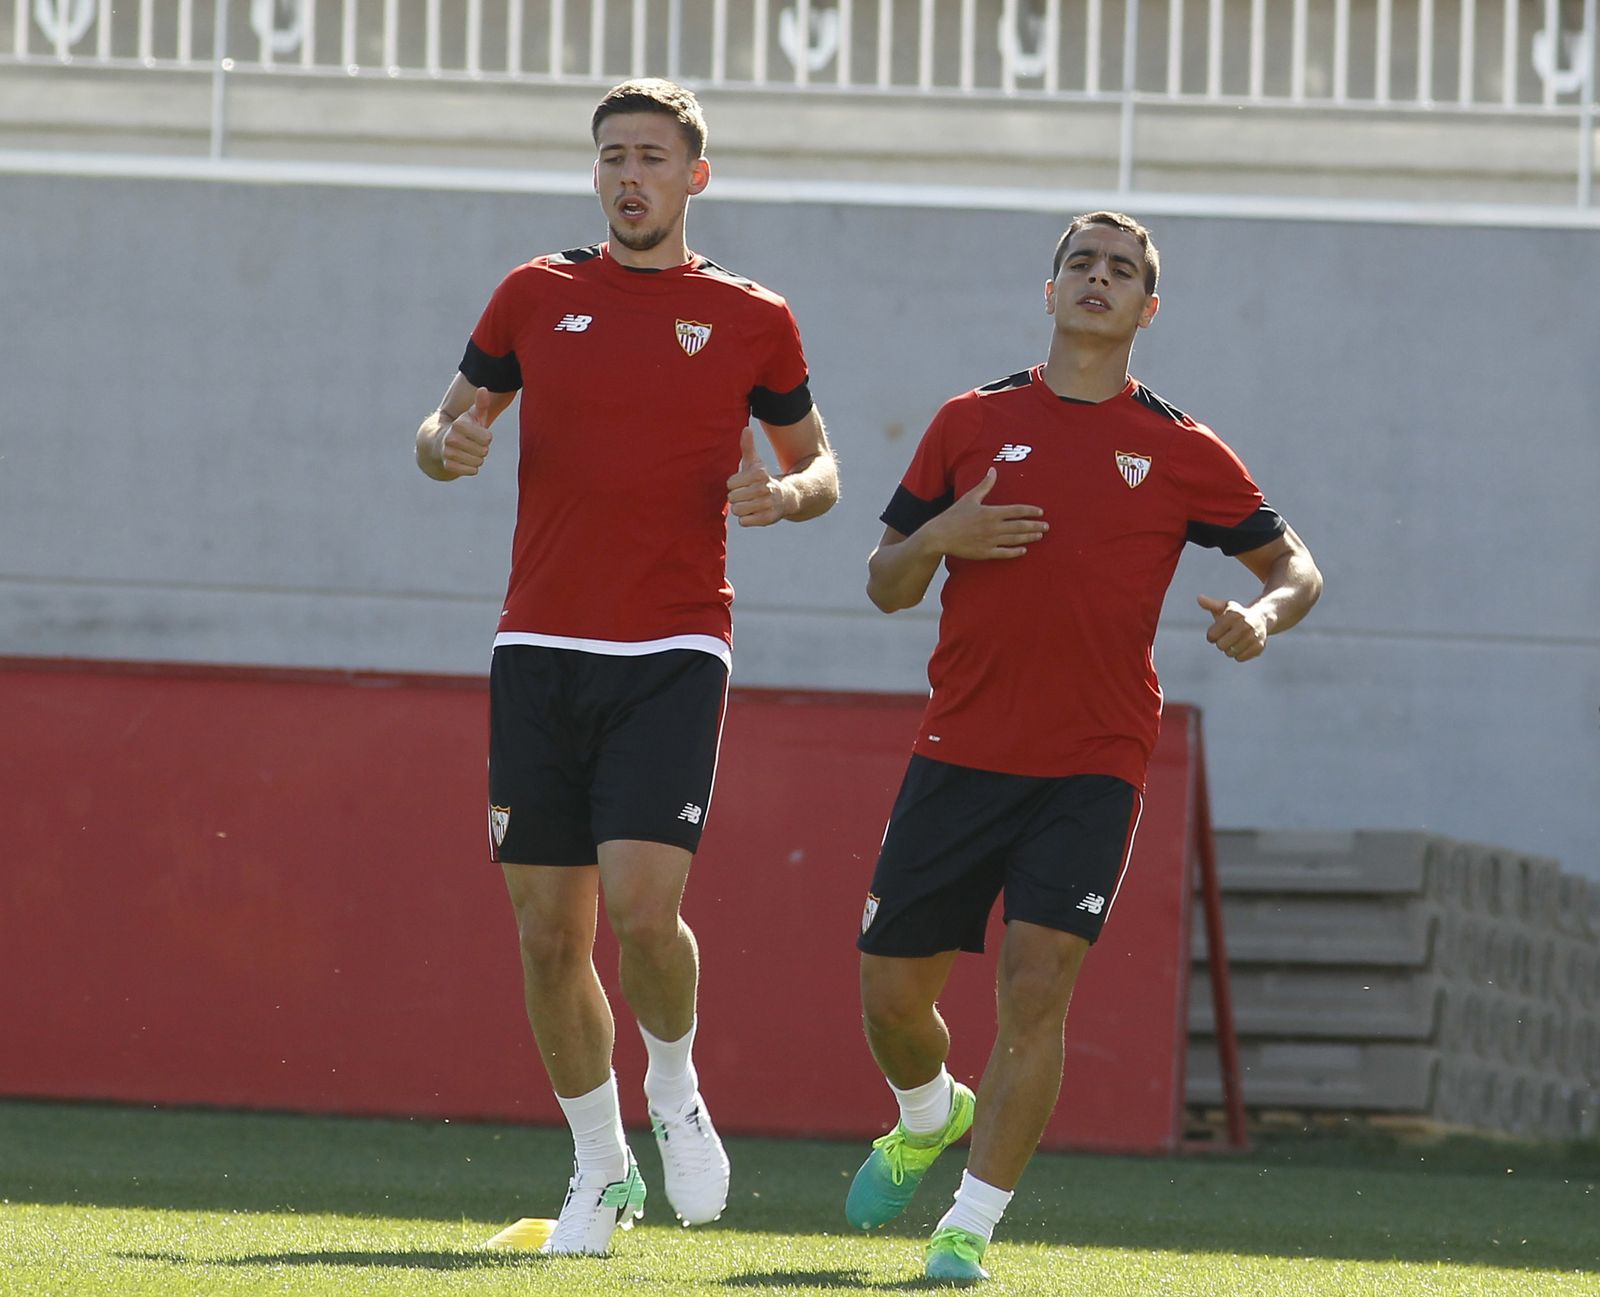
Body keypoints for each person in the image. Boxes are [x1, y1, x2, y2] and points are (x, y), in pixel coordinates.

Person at [846, 211, 1321, 1284]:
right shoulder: (968, 422)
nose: (1097, 280)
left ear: (1147, 309)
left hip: (1094, 763)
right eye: (1081, 264)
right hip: (960, 748)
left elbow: (1295, 568)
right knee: (887, 995)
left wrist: (1264, 615)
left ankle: (967, 1225)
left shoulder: (1181, 448)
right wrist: (936, 537)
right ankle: (928, 1112)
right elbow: (883, 582)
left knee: (1036, 986)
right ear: (1047, 291)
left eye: (1121, 272)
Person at [414, 78, 839, 1256]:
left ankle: (675, 1085)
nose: (630, 176)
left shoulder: (755, 318)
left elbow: (821, 467)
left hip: (672, 646)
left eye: (652, 157)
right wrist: (447, 446)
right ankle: (598, 1171)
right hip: (538, 646)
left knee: (646, 914)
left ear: (693, 177)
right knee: (549, 934)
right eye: (612, 157)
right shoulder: (532, 294)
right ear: (594, 174)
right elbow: (437, 428)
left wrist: (785, 492)